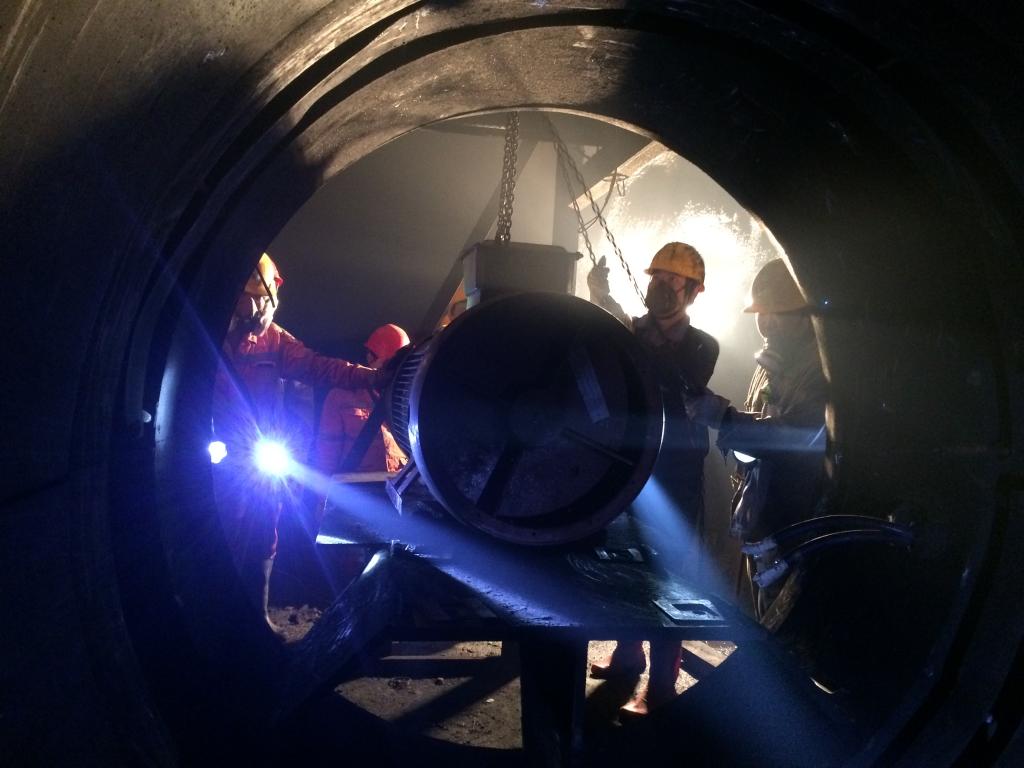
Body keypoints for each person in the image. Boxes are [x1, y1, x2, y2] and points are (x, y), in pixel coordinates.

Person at [212, 253, 386, 632]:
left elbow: (317, 366)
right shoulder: (207, 338)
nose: (262, 308)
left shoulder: (274, 341)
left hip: (257, 457)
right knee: (217, 532)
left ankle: (257, 617)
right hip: (217, 458)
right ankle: (214, 617)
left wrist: (370, 377)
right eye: (257, 298)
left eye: (265, 299)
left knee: (264, 532)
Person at [587, 242, 720, 716]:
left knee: (670, 576)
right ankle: (628, 655)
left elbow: (677, 379)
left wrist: (632, 327)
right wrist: (603, 301)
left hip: (676, 473)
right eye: (656, 278)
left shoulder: (703, 345)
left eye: (672, 281)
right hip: (632, 465)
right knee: (627, 563)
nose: (660, 287)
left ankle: (662, 685)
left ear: (693, 291)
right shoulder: (635, 331)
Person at [684, 258, 827, 623]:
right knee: (764, 615)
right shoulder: (770, 364)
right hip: (764, 519)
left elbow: (797, 437)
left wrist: (725, 419)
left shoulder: (818, 372)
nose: (766, 323)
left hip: (795, 519)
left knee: (785, 621)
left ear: (805, 315)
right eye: (761, 312)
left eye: (777, 312)